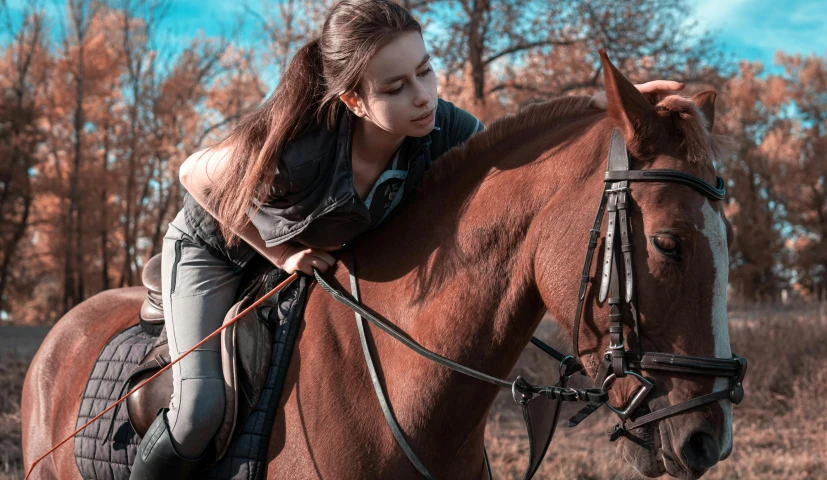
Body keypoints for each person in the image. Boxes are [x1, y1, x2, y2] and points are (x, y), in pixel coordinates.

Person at [130, 0, 685, 477]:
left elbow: (512, 148)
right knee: (199, 408)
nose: (422, 96)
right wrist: (279, 252)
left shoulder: (442, 127)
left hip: (312, 253)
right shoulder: (302, 147)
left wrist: (600, 107)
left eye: (425, 71)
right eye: (396, 86)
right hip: (218, 244)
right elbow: (192, 173)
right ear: (352, 101)